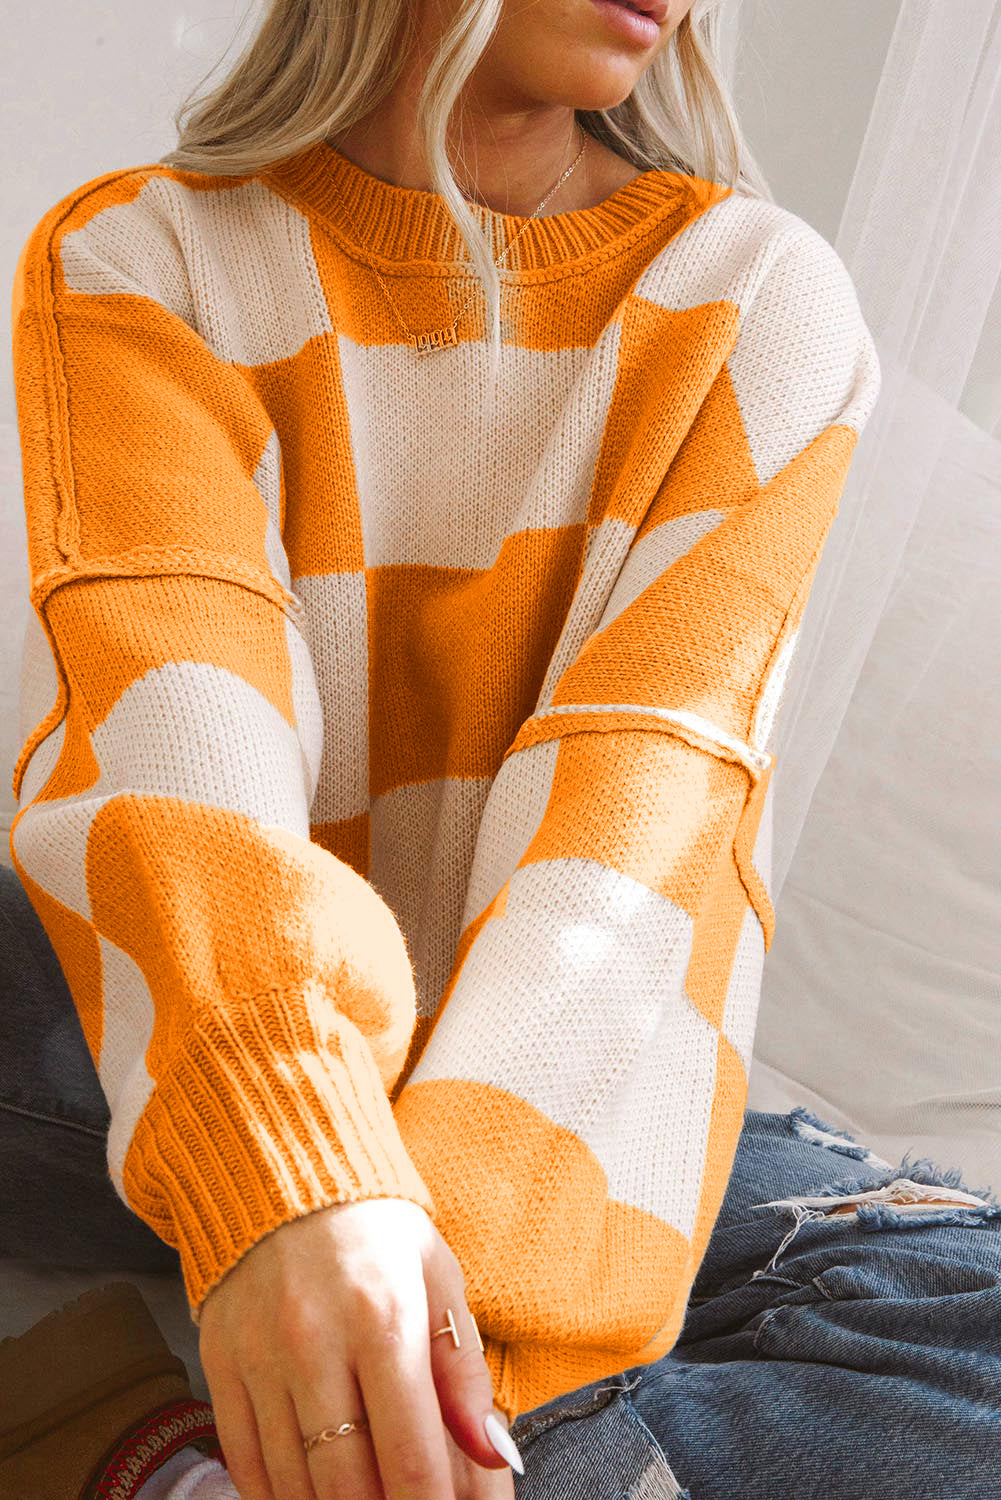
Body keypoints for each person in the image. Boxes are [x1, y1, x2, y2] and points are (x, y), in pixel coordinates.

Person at [4, 1, 1000, 1497]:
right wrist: (297, 1175)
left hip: (553, 1064)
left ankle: (152, 1460)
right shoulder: (137, 256)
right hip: (172, 1016)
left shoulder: (755, 296)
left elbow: (637, 826)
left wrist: (449, 1337)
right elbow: (183, 745)